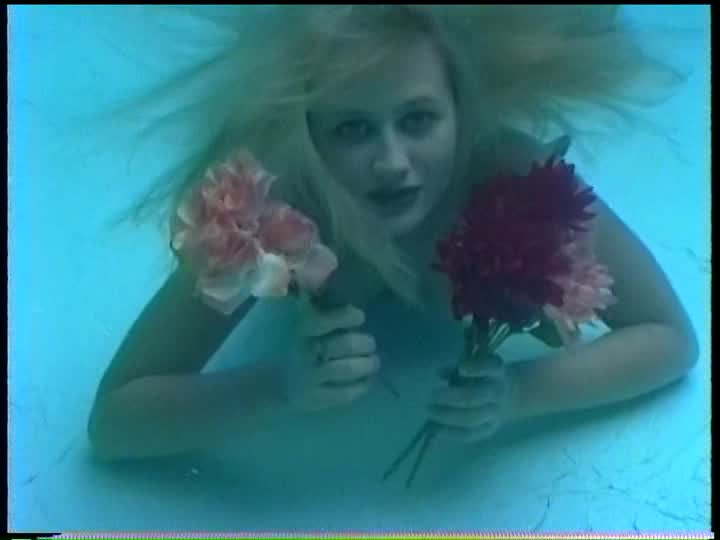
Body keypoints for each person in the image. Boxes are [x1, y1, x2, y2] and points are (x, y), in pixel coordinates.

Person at [87, 5, 698, 463]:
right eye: (353, 129)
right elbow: (114, 420)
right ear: (308, 134)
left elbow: (671, 339)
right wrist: (279, 388)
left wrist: (519, 394)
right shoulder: (271, 208)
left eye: (418, 119)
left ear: (462, 111)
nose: (391, 163)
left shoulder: (511, 174)